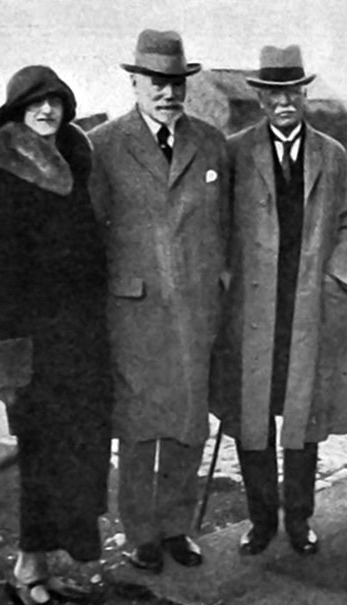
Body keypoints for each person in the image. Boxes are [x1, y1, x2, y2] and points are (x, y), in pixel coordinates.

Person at [88, 30, 229, 574]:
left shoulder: (212, 142)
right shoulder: (103, 144)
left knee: (189, 420)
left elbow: (226, 228)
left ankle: (176, 527)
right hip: (133, 309)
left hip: (196, 308)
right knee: (140, 424)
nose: (167, 93)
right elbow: (94, 234)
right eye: (155, 83)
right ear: (135, 83)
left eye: (175, 82)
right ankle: (141, 532)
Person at [0, 65, 112, 605]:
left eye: (55, 102)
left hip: (83, 347)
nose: (47, 111)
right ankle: (27, 570)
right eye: (35, 104)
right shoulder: (3, 190)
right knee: (39, 460)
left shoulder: (74, 180)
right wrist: (6, 367)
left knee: (74, 457)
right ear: (15, 115)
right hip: (37, 354)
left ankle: (46, 568)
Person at [211, 44, 347, 557]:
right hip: (252, 310)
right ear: (260, 97)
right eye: (273, 92)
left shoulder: (331, 155)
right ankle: (260, 520)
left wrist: (337, 274)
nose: (283, 101)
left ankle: (299, 520)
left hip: (307, 306)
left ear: (304, 93)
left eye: (291, 90)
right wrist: (229, 282)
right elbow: (217, 226)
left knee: (302, 416)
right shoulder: (234, 153)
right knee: (251, 417)